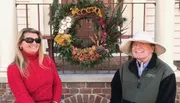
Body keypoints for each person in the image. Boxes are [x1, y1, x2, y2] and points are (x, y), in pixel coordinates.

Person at [110, 32, 176, 103]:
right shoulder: (123, 69)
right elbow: (115, 98)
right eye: (135, 44)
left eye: (142, 44)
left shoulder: (165, 72)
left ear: (152, 48)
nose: (137, 47)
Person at [7, 28, 62, 103]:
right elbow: (21, 95)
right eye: (29, 40)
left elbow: (57, 84)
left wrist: (55, 101)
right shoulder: (13, 68)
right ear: (20, 44)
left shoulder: (47, 60)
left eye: (37, 40)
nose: (34, 43)